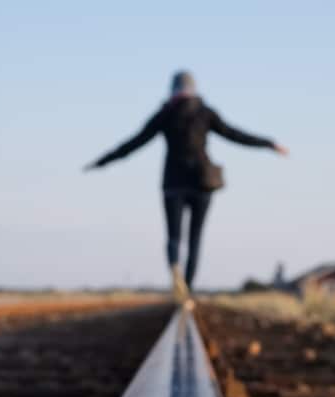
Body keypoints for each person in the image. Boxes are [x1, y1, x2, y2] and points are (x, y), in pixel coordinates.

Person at [86, 71, 288, 304]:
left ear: (172, 89)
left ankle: (175, 267)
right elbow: (236, 135)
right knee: (195, 238)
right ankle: (188, 290)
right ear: (194, 89)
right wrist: (269, 144)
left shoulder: (165, 114)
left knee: (174, 236)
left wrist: (101, 162)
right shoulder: (204, 113)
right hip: (202, 182)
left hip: (173, 183)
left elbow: (134, 142)